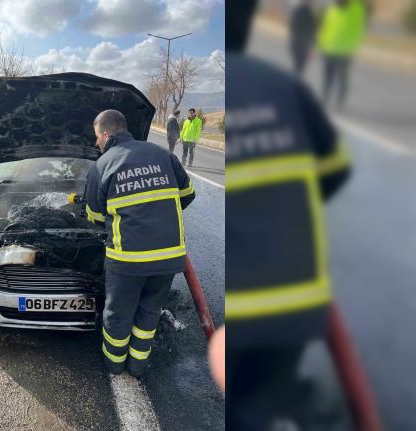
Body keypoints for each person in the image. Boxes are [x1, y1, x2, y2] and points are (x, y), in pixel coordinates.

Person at [226, 0, 351, 428]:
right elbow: (334, 173)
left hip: (240, 307)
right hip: (298, 299)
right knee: (259, 400)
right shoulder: (284, 85)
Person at [83, 110, 195, 377]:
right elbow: (188, 194)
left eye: (97, 137)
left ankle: (114, 365)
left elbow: (96, 217)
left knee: (118, 315)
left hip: (128, 260)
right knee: (149, 313)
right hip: (169, 258)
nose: (96, 143)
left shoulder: (102, 164)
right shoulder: (162, 155)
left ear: (107, 134)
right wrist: (154, 212)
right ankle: (137, 366)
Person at [317, 0, 367, 109]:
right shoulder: (332, 9)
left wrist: (353, 49)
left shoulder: (356, 8)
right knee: (328, 77)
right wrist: (320, 45)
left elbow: (358, 29)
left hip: (345, 51)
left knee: (343, 78)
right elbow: (326, 27)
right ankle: (325, 98)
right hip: (329, 49)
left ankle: (340, 101)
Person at [290, 0, 317, 76]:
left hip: (297, 42)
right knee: (300, 67)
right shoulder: (311, 15)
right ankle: (296, 82)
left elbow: (293, 26)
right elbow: (313, 32)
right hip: (302, 43)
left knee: (298, 66)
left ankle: (295, 81)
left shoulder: (297, 11)